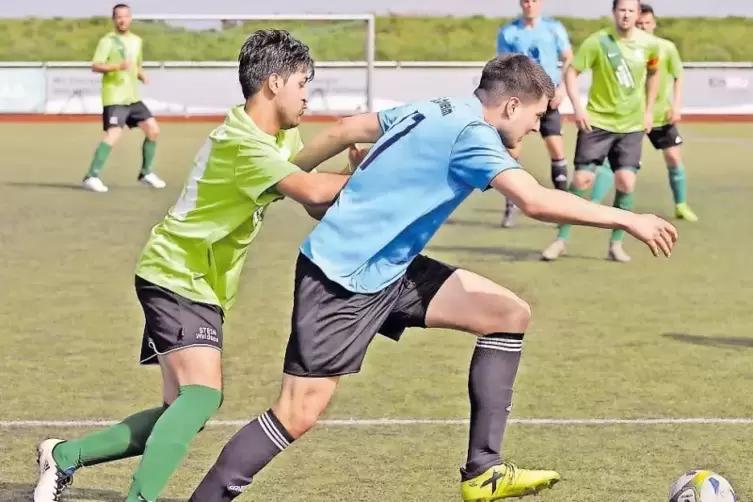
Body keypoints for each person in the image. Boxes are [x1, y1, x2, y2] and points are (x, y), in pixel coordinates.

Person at [186, 54, 678, 502]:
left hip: (389, 266)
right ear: (510, 106)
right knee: (296, 413)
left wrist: (286, 178)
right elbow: (534, 201)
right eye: (536, 116)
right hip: (344, 277)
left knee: (507, 313)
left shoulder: (437, 107)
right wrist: (626, 218)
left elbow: (343, 130)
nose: (535, 127)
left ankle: (483, 471)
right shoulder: (474, 137)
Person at [33, 29, 353, 502]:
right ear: (274, 83)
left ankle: (63, 457)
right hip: (176, 272)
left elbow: (313, 202)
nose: (309, 94)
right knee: (201, 396)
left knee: (175, 412)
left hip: (199, 281)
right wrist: (375, 169)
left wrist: (349, 172)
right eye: (303, 82)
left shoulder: (280, 135)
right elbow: (312, 191)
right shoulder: (243, 143)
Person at [540, 0, 662, 263]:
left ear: (638, 14)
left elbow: (654, 73)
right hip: (597, 122)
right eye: (622, 10)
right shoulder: (598, 42)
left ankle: (616, 244)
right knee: (582, 180)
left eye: (631, 10)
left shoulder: (650, 44)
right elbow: (572, 72)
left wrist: (649, 110)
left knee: (626, 182)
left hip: (631, 125)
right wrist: (578, 107)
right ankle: (560, 239)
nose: (626, 15)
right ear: (614, 13)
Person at [589, 3, 698, 222]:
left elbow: (678, 76)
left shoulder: (666, 48)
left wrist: (676, 105)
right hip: (631, 116)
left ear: (654, 24)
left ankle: (681, 205)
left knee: (674, 158)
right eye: (640, 23)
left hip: (659, 115)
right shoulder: (624, 47)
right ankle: (592, 205)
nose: (644, 27)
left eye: (648, 23)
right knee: (613, 163)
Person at [496, 0, 574, 227]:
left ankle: (565, 207)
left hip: (547, 100)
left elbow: (569, 57)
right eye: (526, 1)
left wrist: (561, 89)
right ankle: (511, 207)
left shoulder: (553, 28)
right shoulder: (509, 31)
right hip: (519, 101)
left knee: (556, 148)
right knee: (512, 152)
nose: (530, 4)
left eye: (534, 1)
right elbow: (503, 65)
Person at [82, 3, 166, 193]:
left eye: (125, 16)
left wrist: (141, 75)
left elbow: (135, 65)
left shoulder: (137, 41)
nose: (122, 20)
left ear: (130, 18)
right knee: (114, 134)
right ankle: (91, 176)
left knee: (153, 130)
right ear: (114, 20)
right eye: (118, 17)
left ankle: (146, 173)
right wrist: (117, 67)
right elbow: (96, 65)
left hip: (133, 97)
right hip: (114, 96)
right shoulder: (107, 41)